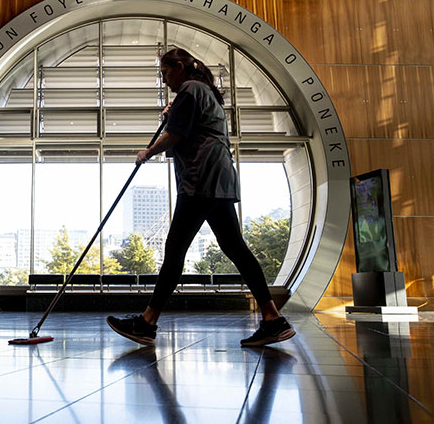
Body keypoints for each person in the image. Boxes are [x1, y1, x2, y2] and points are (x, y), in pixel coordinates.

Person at [106, 48, 295, 347]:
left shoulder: (191, 89)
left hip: (200, 178)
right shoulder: (203, 91)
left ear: (179, 67)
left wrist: (148, 151)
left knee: (175, 249)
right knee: (235, 248)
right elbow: (190, 126)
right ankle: (273, 319)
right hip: (216, 179)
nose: (164, 79)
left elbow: (176, 135)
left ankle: (147, 322)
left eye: (166, 73)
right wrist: (173, 113)